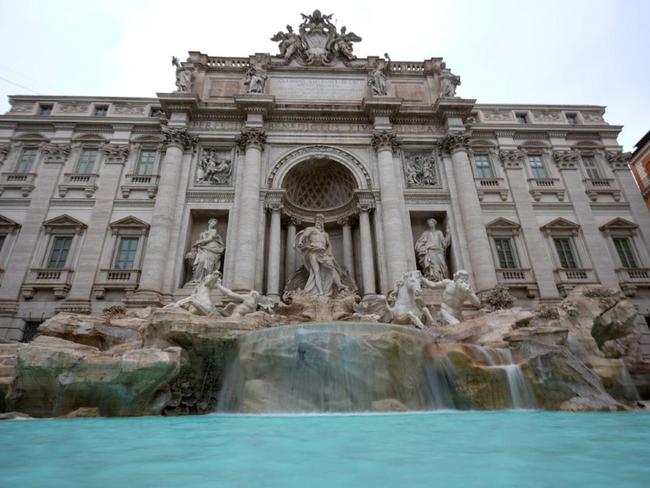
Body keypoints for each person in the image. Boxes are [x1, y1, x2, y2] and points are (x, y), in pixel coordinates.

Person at [295, 214, 346, 295]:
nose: (318, 223)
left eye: (320, 221)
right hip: (313, 251)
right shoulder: (311, 229)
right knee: (316, 271)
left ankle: (339, 284)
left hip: (323, 253)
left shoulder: (325, 234)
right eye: (317, 221)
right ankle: (320, 292)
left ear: (323, 223)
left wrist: (329, 252)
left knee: (332, 267)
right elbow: (303, 236)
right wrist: (300, 242)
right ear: (315, 222)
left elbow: (329, 245)